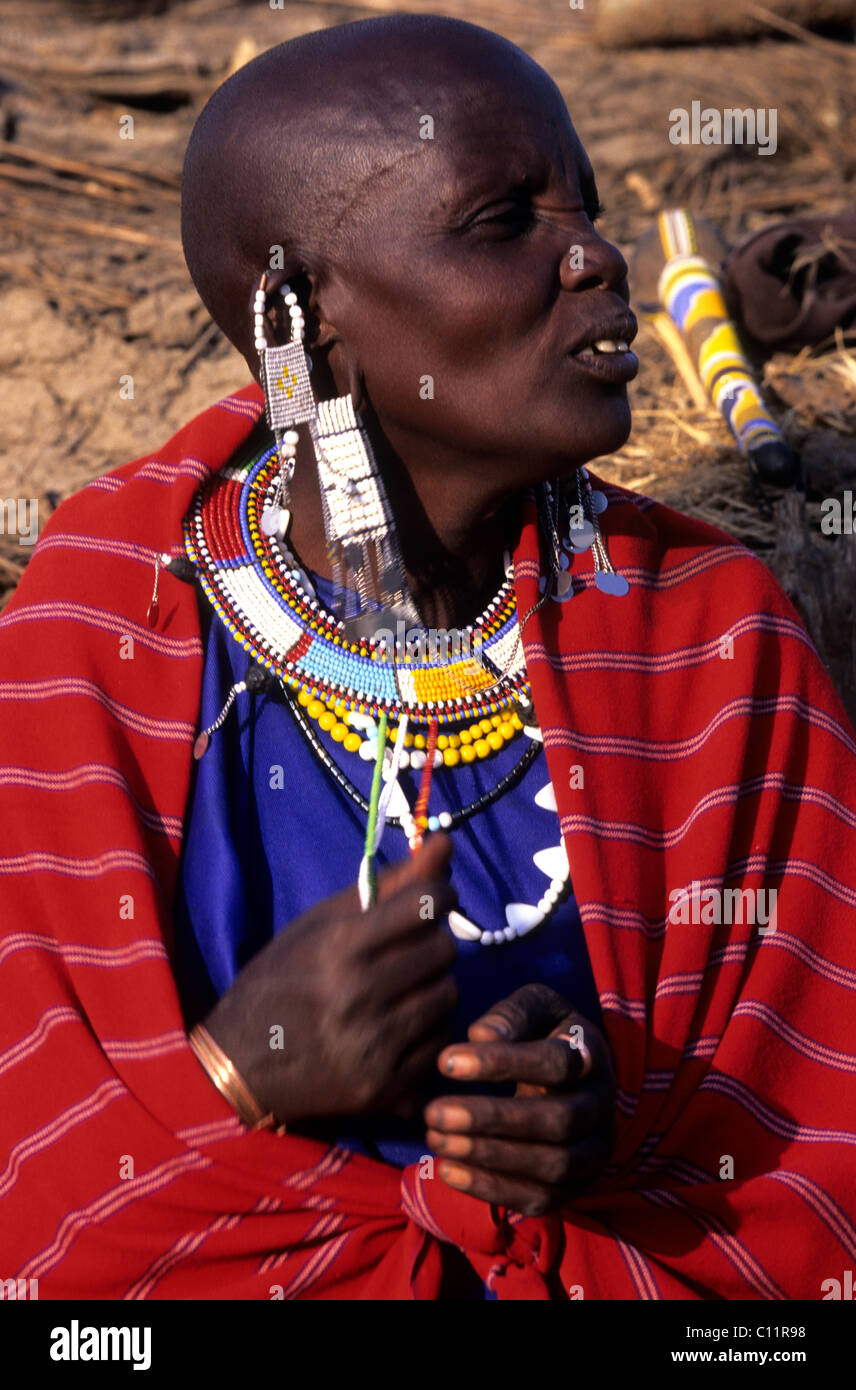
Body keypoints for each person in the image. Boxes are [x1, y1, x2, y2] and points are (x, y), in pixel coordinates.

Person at [1, 15, 855, 1302]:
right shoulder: (98, 634)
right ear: (300, 321)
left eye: (586, 198)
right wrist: (241, 1074)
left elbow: (813, 1143)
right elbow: (37, 1192)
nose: (598, 254)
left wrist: (606, 1116)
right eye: (506, 219)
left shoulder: (707, 635)